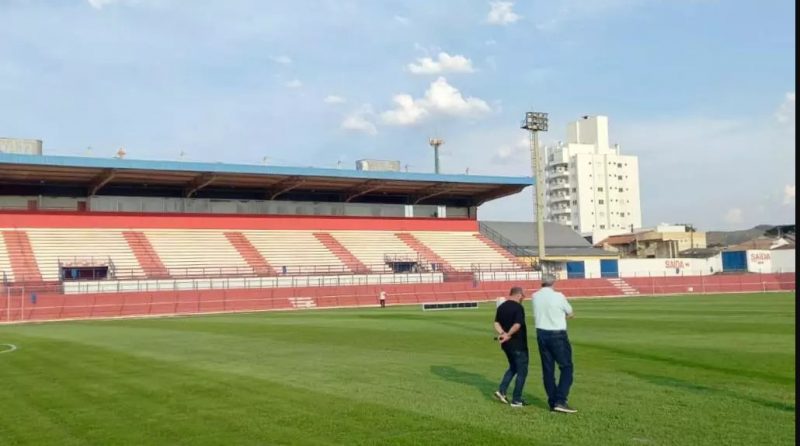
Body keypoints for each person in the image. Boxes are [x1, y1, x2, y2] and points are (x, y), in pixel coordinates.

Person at [532, 274, 577, 413]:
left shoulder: (535, 296)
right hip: (557, 334)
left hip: (541, 333)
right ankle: (560, 400)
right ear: (554, 283)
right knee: (566, 367)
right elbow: (570, 312)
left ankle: (553, 402)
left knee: (548, 370)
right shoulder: (559, 296)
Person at [493, 286, 529, 407]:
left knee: (513, 367)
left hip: (506, 345)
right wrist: (508, 334)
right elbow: (517, 325)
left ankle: (502, 391)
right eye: (523, 295)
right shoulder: (518, 307)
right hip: (518, 344)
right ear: (518, 295)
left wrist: (502, 334)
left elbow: (496, 323)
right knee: (522, 372)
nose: (524, 298)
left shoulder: (502, 306)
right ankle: (516, 399)